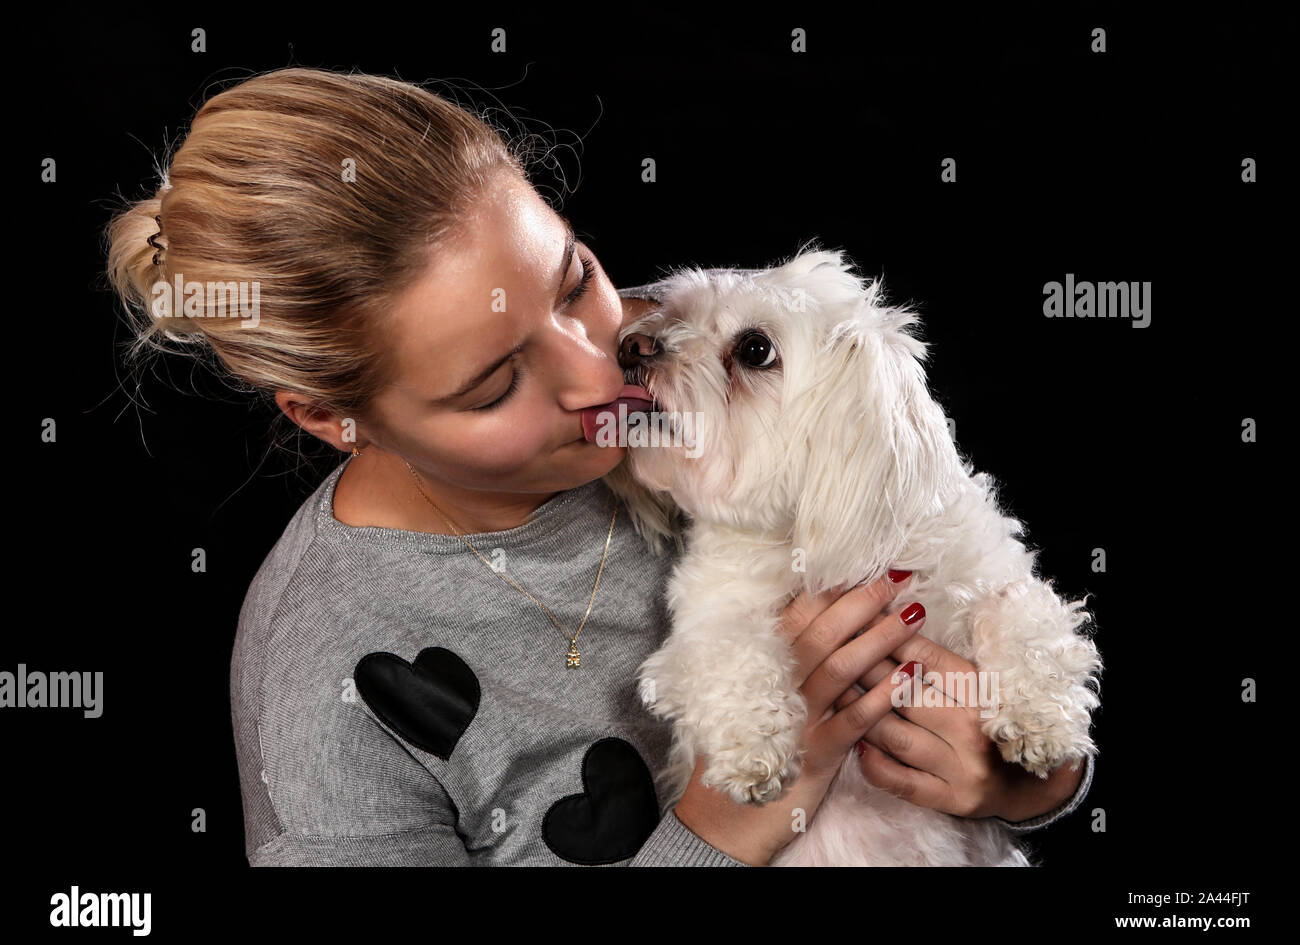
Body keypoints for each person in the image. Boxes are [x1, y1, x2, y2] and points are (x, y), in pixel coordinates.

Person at [105, 67, 1092, 866]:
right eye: (495, 384)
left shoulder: (696, 394)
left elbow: (976, 614)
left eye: (576, 281)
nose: (599, 370)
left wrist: (1024, 779)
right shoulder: (326, 680)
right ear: (329, 417)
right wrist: (719, 832)